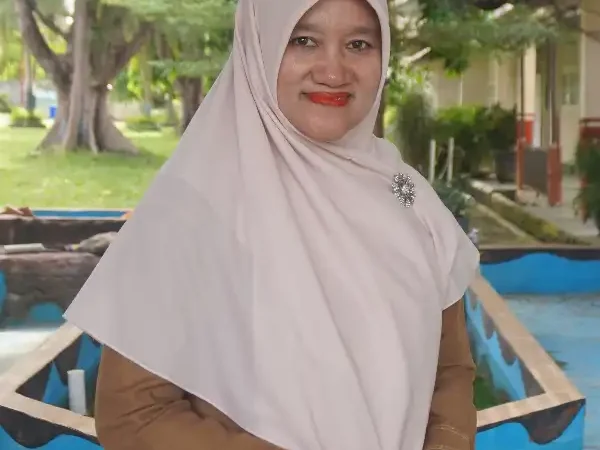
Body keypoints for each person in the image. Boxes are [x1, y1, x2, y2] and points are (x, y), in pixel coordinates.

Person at [64, 0, 480, 449]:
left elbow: (451, 370)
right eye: (304, 41)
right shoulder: (191, 211)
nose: (333, 71)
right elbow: (135, 417)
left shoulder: (405, 193)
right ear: (257, 47)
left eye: (359, 44)